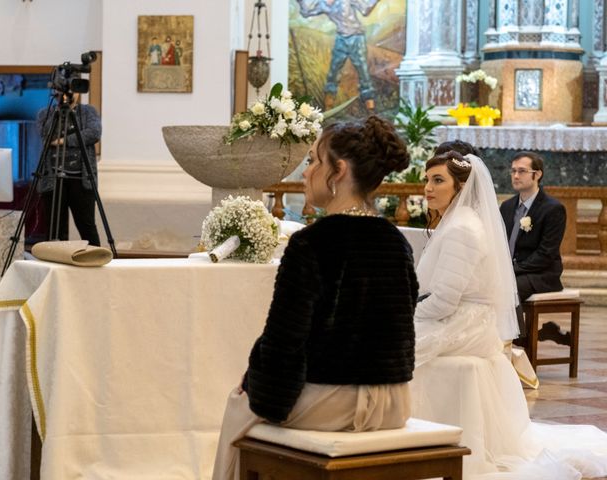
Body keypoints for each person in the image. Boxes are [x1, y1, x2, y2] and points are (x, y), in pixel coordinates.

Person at [212, 116, 417, 480]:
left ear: (337, 171)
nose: (305, 173)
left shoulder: (312, 242)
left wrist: (257, 389)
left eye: (312, 161)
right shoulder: (396, 241)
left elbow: (284, 342)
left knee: (237, 405)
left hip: (337, 404)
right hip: (395, 401)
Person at [412, 151, 607, 478]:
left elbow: (445, 301)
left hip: (465, 321)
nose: (427, 189)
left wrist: (407, 313)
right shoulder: (457, 221)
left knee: (397, 347)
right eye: (427, 180)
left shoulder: (462, 229)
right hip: (464, 314)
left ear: (461, 187)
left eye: (438, 180)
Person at [36, 92, 102, 246]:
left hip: (81, 179)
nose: (69, 94)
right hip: (52, 179)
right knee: (55, 230)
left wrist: (64, 140)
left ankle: (95, 261)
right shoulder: (46, 113)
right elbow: (46, 135)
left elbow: (93, 133)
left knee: (87, 226)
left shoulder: (88, 112)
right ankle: (57, 265)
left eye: (73, 90)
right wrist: (61, 111)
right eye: (65, 89)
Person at [500, 151, 566, 303]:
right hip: (511, 272)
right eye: (513, 171)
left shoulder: (553, 209)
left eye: (522, 171)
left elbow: (546, 254)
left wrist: (511, 270)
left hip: (541, 274)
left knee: (507, 290)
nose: (516, 176)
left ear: (537, 175)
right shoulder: (507, 206)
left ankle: (516, 328)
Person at [296, 0, 380, 112]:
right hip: (341, 39)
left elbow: (365, 9)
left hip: (356, 38)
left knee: (363, 73)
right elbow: (306, 13)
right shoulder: (322, 4)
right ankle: (328, 108)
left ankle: (371, 109)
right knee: (333, 73)